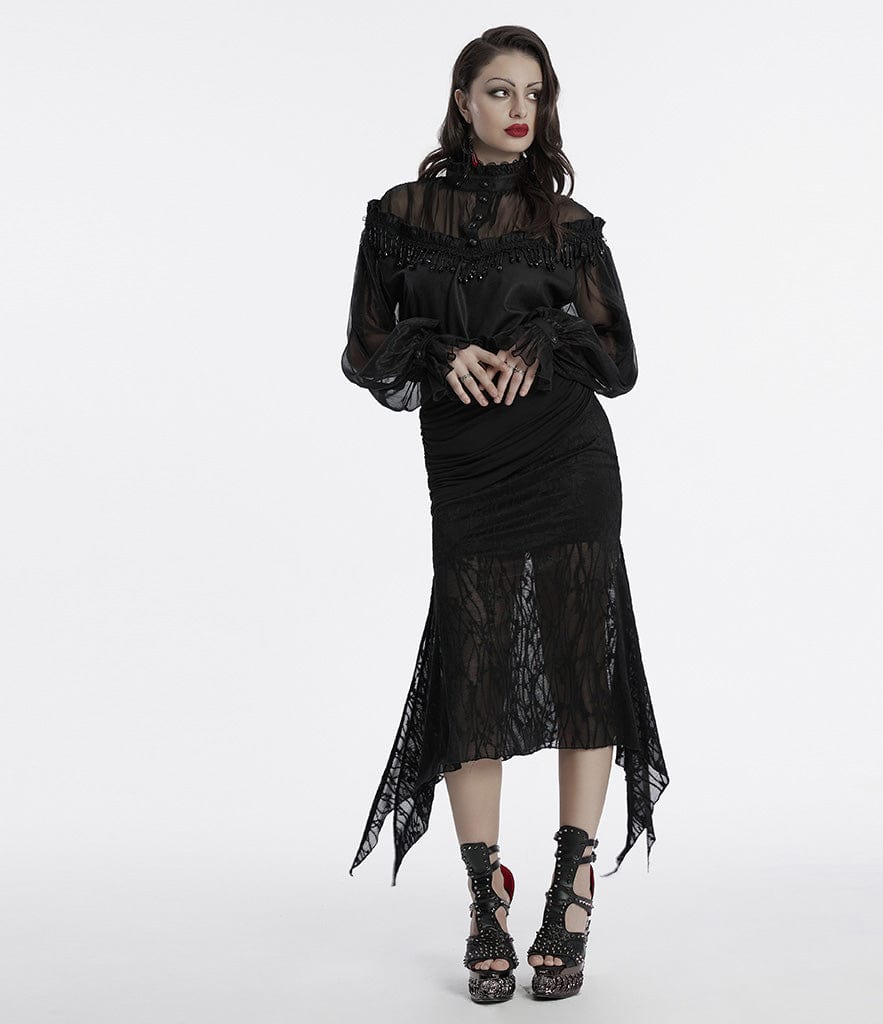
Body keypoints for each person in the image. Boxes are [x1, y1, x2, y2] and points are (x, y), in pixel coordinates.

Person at [341, 25, 669, 1003]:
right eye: (498, 90)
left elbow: (619, 364)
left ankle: (573, 884)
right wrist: (441, 352)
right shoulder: (399, 217)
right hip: (469, 469)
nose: (519, 109)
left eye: (534, 93)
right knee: (475, 671)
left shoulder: (567, 226)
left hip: (566, 460)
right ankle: (485, 893)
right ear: (462, 101)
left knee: (581, 664)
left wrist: (544, 332)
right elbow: (364, 348)